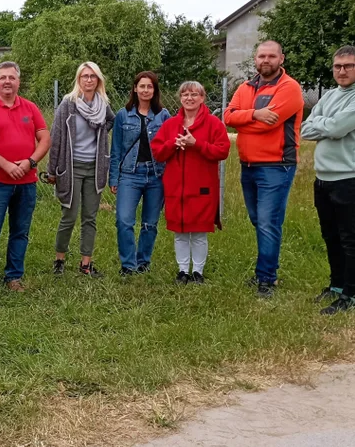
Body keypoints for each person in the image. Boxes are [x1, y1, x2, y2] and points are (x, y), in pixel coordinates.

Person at [300, 46, 355, 315]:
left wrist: (327, 124)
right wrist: (329, 124)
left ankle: (350, 295)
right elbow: (305, 128)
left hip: (351, 177)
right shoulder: (333, 94)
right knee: (331, 236)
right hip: (323, 177)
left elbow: (335, 128)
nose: (342, 71)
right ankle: (336, 286)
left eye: (348, 66)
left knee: (350, 238)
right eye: (337, 66)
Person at [223, 40, 304, 298]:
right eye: (261, 56)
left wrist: (245, 118)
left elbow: (270, 124)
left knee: (268, 222)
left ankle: (267, 279)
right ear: (255, 59)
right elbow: (227, 117)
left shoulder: (289, 88)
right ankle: (266, 271)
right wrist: (255, 114)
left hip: (276, 166)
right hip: (248, 165)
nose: (265, 60)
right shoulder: (245, 87)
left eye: (271, 56)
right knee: (259, 220)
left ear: (282, 59)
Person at [0, 61, 51, 298]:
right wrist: (5, 165)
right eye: (3, 77)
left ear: (18, 81)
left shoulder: (30, 108)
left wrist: (30, 162)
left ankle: (14, 276)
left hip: (26, 181)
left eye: (12, 77)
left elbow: (45, 138)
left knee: (20, 231)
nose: (7, 81)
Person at [151, 81, 231, 283]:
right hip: (176, 188)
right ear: (180, 98)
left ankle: (198, 272)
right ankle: (183, 270)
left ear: (202, 98)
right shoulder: (170, 125)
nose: (189, 98)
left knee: (198, 232)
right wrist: (173, 144)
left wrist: (197, 144)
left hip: (202, 187)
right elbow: (158, 152)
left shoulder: (213, 123)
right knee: (180, 231)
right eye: (185, 94)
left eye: (194, 94)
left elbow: (222, 151)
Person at [46, 61, 115, 277]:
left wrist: (102, 134)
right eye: (85, 76)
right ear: (78, 79)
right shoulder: (68, 104)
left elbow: (111, 121)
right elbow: (56, 138)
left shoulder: (103, 105)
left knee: (90, 217)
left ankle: (86, 263)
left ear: (98, 80)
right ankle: (59, 260)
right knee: (69, 214)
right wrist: (52, 170)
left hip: (95, 168)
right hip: (71, 167)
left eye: (93, 76)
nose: (88, 80)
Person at [109, 71, 171, 276]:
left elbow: (169, 148)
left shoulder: (163, 115)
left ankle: (143, 262)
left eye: (150, 86)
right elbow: (116, 149)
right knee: (124, 220)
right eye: (142, 86)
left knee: (149, 223)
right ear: (135, 89)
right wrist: (114, 178)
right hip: (129, 174)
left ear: (155, 90)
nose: (145, 90)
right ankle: (128, 265)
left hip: (156, 175)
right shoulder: (122, 115)